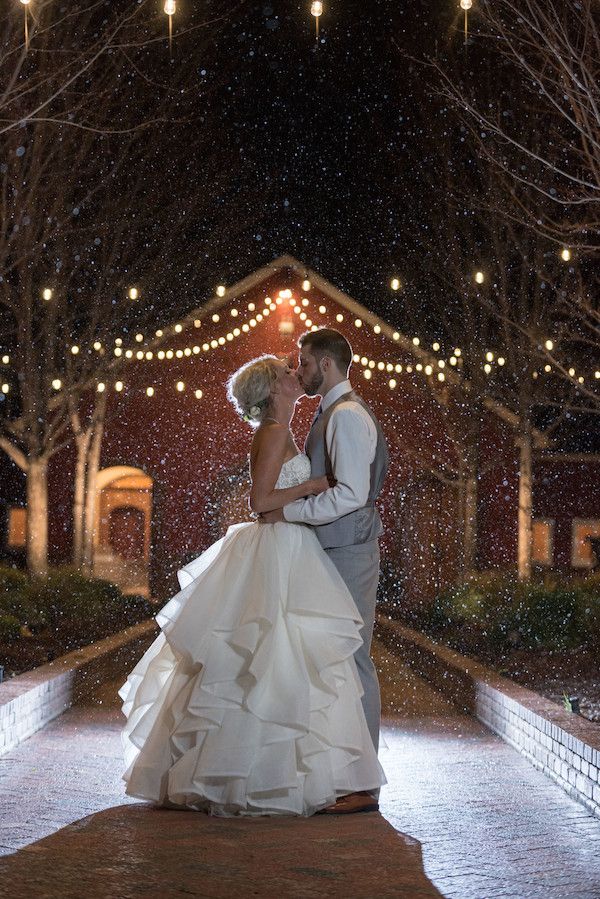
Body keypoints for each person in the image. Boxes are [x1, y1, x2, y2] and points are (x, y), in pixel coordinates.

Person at [119, 354, 385, 817]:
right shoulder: (273, 432)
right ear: (272, 389)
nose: (294, 373)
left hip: (293, 547)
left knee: (287, 659)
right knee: (266, 655)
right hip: (278, 546)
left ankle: (286, 773)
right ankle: (254, 777)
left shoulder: (288, 428)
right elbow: (260, 502)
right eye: (287, 373)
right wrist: (313, 485)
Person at [261, 329, 389, 816]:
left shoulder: (349, 416)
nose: (300, 370)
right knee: (331, 661)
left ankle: (364, 785)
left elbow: (351, 494)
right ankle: (338, 772)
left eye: (305, 363)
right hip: (331, 549)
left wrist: (288, 514)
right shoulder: (329, 412)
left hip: (349, 551)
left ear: (327, 366)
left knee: (354, 659)